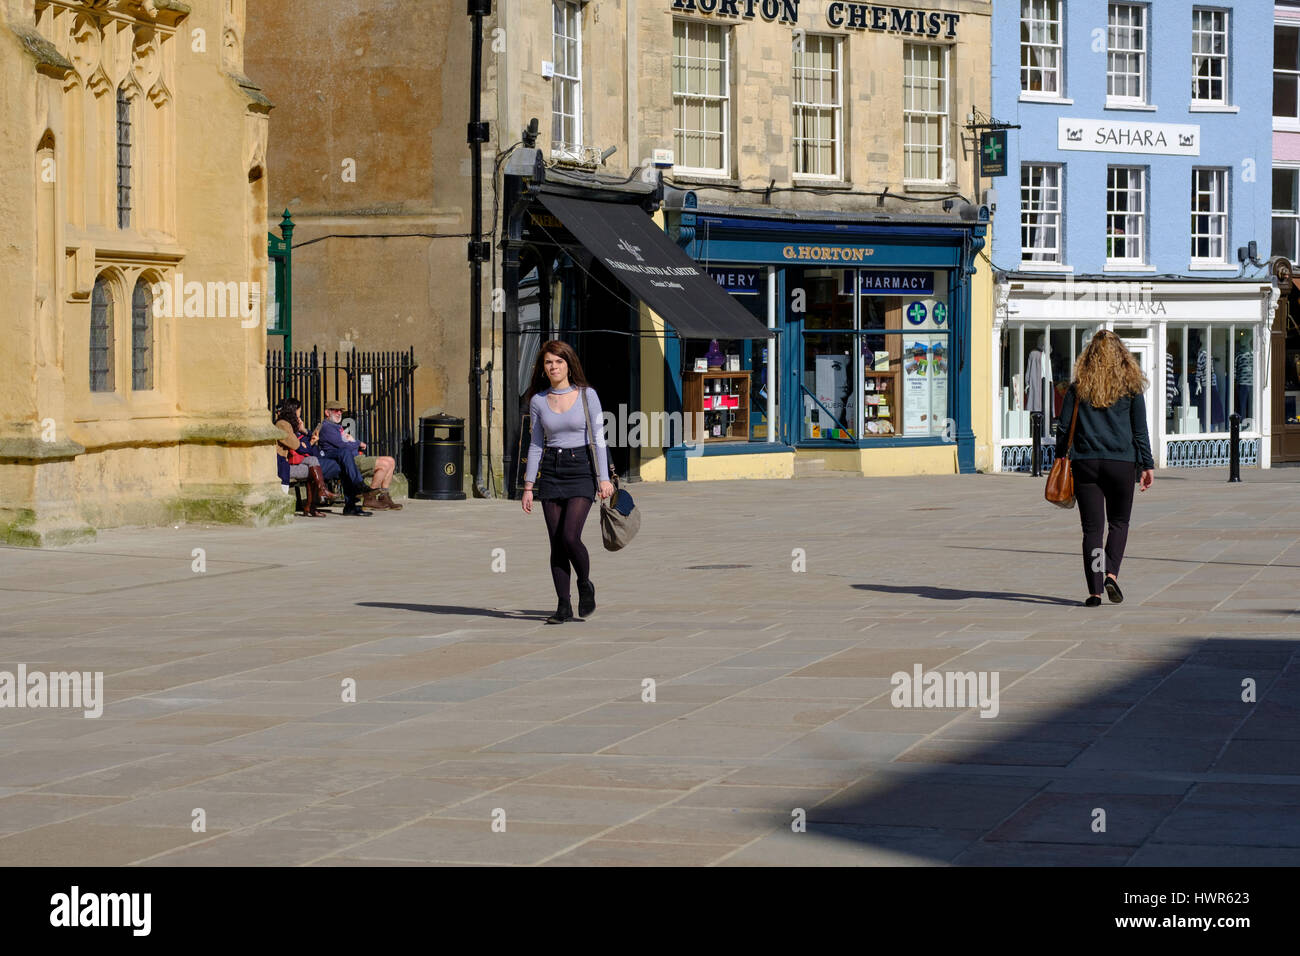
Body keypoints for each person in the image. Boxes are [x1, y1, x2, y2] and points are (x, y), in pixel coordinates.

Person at [1055, 330, 1155, 607]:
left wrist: (1059, 457)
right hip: (1121, 463)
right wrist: (1147, 464)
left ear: (1088, 358)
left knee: (1092, 530)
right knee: (1119, 523)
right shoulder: (1131, 388)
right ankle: (1111, 573)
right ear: (1122, 356)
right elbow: (1140, 431)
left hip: (1085, 463)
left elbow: (1063, 428)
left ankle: (1095, 590)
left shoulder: (1078, 388)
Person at [520, 341, 613, 625]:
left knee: (570, 536)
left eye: (559, 362)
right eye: (549, 362)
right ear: (543, 368)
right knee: (556, 543)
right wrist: (528, 486)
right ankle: (563, 604)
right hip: (552, 470)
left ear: (568, 364)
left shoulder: (587, 395)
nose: (553, 367)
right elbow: (536, 444)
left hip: (582, 468)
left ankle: (584, 583)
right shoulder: (538, 400)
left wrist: (604, 479)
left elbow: (598, 438)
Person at [273, 398, 335, 517]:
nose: (300, 414)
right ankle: (313, 504)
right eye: (299, 411)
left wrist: (304, 431)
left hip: (288, 464)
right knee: (313, 469)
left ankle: (315, 500)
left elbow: (307, 447)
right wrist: (309, 443)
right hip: (283, 466)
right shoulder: (283, 425)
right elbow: (299, 447)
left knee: (313, 462)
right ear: (293, 411)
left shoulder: (289, 425)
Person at [315, 400, 375, 516]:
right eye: (336, 410)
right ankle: (358, 486)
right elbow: (343, 444)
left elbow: (347, 442)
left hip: (338, 456)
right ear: (327, 412)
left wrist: (354, 442)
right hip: (327, 456)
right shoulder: (326, 427)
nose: (339, 413)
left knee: (345, 463)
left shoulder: (337, 427)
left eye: (341, 411)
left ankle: (350, 506)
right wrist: (357, 444)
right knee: (345, 453)